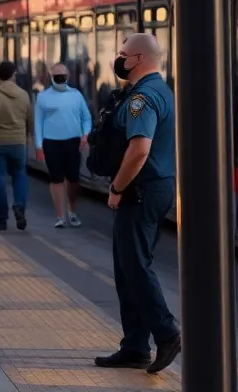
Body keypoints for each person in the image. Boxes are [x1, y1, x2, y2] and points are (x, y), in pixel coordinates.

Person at [94, 33, 180, 375]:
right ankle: (134, 346)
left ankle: (167, 332)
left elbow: (140, 149)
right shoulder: (160, 89)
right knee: (128, 266)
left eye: (123, 55)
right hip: (153, 188)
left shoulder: (142, 98)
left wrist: (117, 186)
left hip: (140, 189)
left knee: (136, 267)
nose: (119, 59)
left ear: (139, 59)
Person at [34, 63, 92, 228]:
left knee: (73, 180)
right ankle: (60, 216)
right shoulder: (43, 97)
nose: (59, 76)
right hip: (51, 143)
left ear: (68, 76)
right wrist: (39, 146)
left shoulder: (76, 96)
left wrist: (85, 135)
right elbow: (38, 123)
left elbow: (86, 118)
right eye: (56, 73)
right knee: (56, 179)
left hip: (73, 142)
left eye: (62, 73)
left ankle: (71, 210)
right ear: (51, 76)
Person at [0, 61, 32, 231]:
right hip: (18, 142)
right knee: (20, 176)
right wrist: (27, 136)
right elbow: (29, 120)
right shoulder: (24, 95)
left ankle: (1, 219)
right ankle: (19, 205)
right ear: (13, 75)